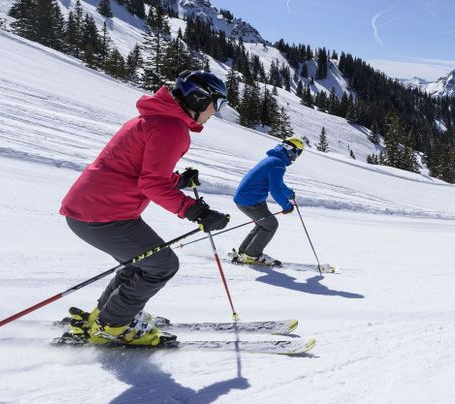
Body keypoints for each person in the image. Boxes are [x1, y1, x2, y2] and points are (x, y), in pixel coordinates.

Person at [59, 70, 232, 346]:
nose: (216, 112)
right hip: (102, 214)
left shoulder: (157, 119)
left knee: (143, 263)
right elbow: (152, 185)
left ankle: (107, 316)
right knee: (161, 265)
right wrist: (197, 212)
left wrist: (178, 181)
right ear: (199, 99)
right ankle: (113, 326)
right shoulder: (171, 129)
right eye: (217, 103)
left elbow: (143, 172)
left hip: (95, 209)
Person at [230, 137, 305, 266]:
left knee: (263, 224)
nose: (296, 157)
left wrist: (289, 194)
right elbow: (275, 189)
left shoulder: (274, 161)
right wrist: (286, 206)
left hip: (249, 198)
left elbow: (278, 183)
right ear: (290, 150)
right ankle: (252, 255)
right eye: (297, 152)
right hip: (250, 200)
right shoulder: (277, 163)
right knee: (271, 224)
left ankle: (244, 252)